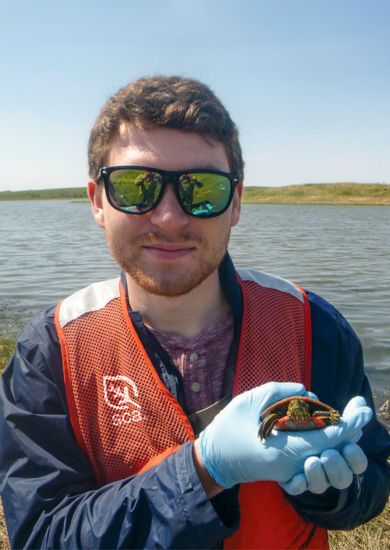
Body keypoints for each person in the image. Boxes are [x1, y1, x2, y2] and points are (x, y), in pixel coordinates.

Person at [0, 75, 389, 550]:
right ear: (97, 200)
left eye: (201, 188)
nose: (169, 217)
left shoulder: (312, 324)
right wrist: (204, 470)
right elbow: (42, 535)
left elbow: (370, 482)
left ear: (237, 201)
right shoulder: (50, 351)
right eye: (135, 188)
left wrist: (335, 492)